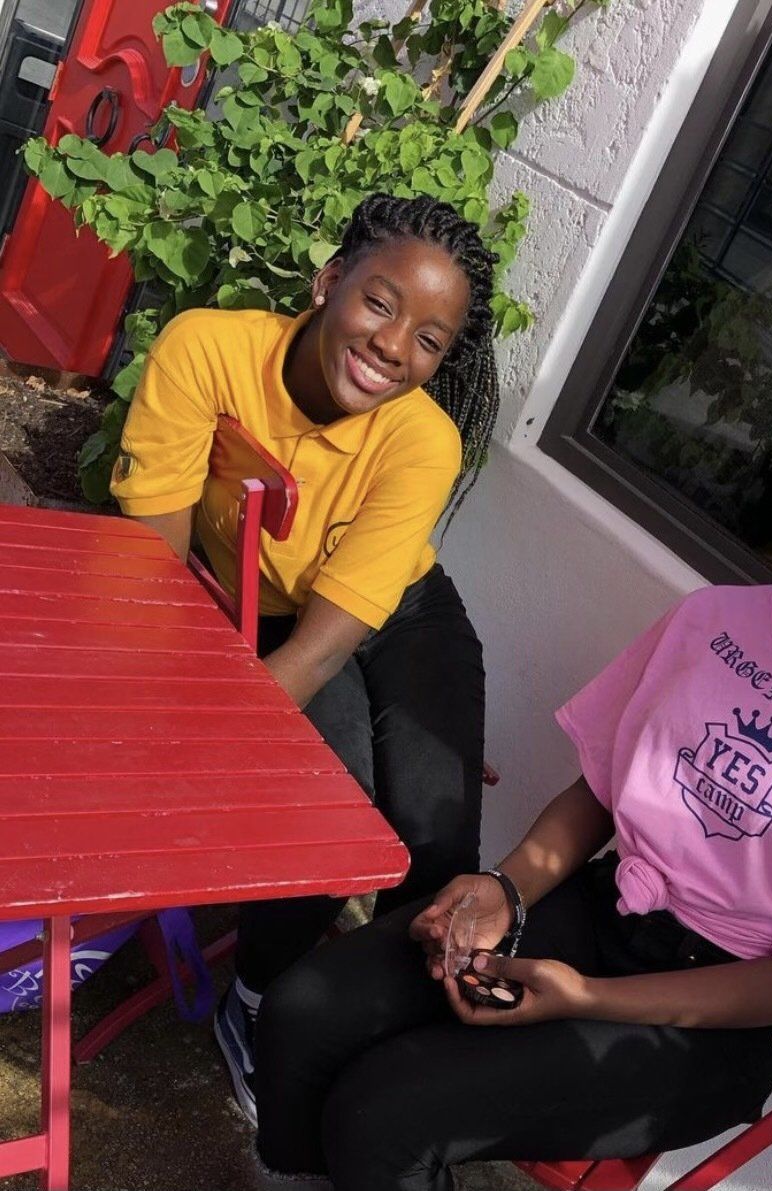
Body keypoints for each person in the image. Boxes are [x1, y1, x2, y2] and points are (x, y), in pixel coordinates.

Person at [250, 358, 772, 1191]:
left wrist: (584, 999)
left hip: (712, 1022)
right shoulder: (713, 620)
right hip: (603, 913)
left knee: (386, 1114)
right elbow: (599, 793)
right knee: (306, 1010)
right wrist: (505, 889)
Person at [109, 194, 501, 1126]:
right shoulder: (208, 350)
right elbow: (150, 569)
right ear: (328, 282)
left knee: (436, 841)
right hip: (263, 610)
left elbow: (329, 646)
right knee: (327, 814)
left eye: (430, 339)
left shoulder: (423, 440)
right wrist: (176, 734)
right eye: (379, 302)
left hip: (393, 606)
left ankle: (370, 1029)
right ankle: (259, 997)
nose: (394, 346)